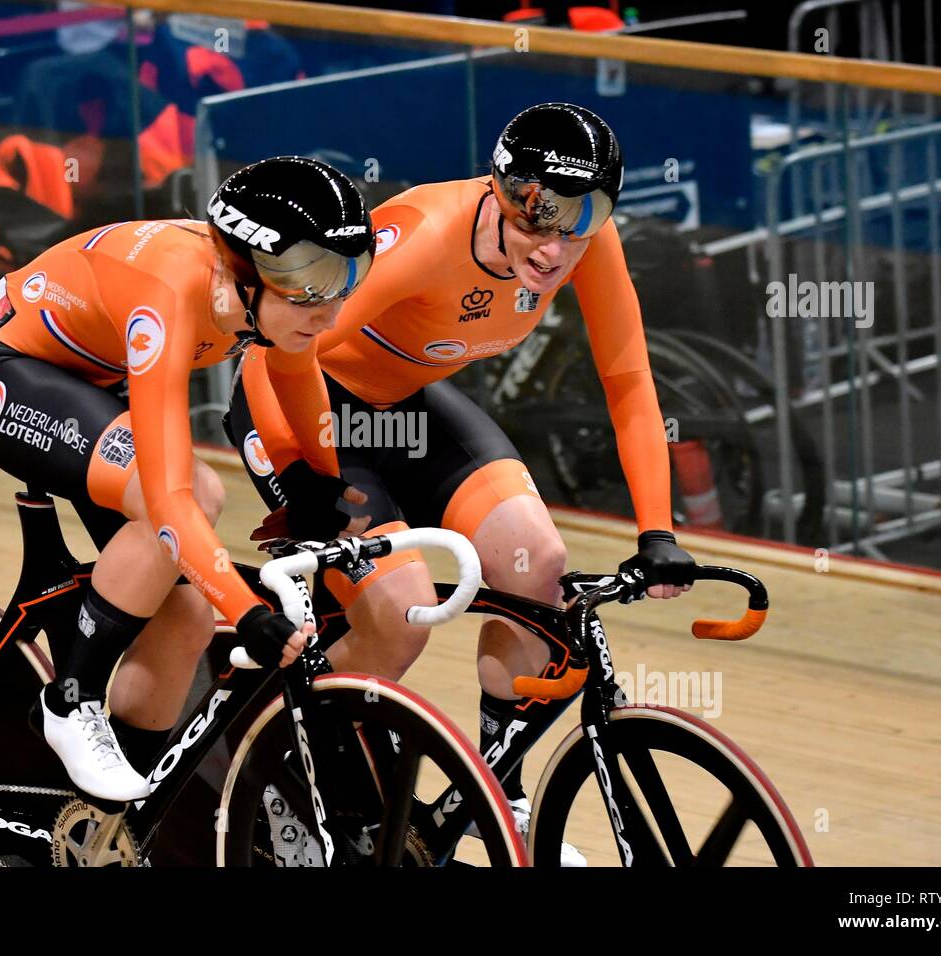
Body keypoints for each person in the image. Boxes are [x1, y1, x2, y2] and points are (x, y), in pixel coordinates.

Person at [226, 104, 696, 864]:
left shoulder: (585, 237)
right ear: (503, 189)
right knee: (400, 613)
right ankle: (282, 777)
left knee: (535, 566)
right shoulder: (422, 236)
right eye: (536, 214)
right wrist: (299, 473)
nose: (556, 246)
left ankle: (488, 788)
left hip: (406, 406)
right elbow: (267, 354)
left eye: (585, 215)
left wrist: (658, 532)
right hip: (298, 402)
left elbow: (628, 378)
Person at [0, 156, 374, 802]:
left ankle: (112, 819)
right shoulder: (172, 290)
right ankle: (71, 701)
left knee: (186, 615)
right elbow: (172, 499)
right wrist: (250, 614)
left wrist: (317, 481)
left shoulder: (273, 297)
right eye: (311, 284)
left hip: (94, 377)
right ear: (242, 270)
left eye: (346, 278)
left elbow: (293, 371)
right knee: (194, 496)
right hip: (4, 368)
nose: (330, 308)